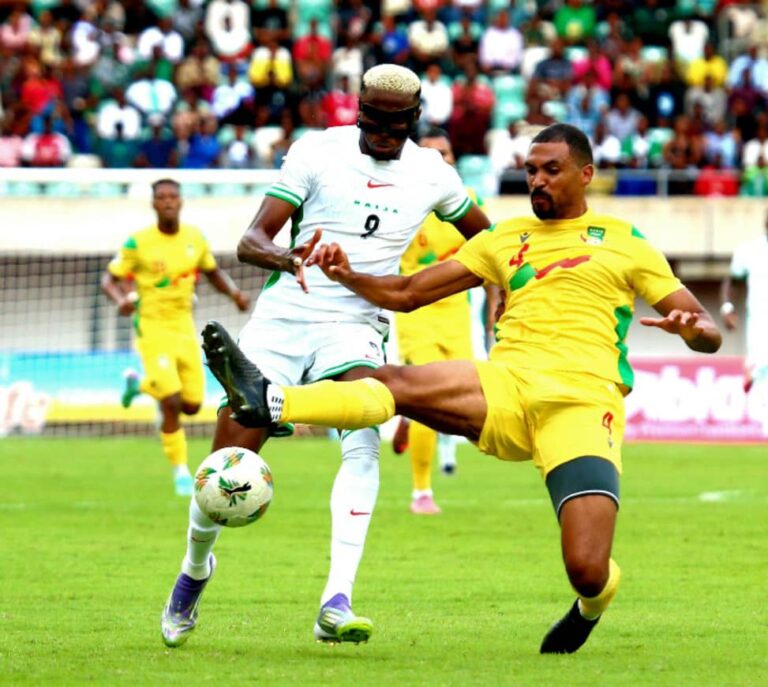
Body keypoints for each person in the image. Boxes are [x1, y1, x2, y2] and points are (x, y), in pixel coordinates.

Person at [203, 123, 722, 654]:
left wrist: (691, 329)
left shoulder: (625, 241)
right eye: (530, 171)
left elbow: (707, 328)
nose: (538, 181)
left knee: (586, 569)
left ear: (585, 175)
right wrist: (348, 276)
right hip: (506, 385)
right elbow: (408, 292)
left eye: (551, 170)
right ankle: (272, 400)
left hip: (583, 407)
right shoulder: (504, 238)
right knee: (390, 381)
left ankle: (592, 603)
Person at [159, 64, 491, 648]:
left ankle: (336, 601)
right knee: (227, 462)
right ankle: (194, 569)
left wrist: (502, 284)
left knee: (366, 435)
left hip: (355, 324)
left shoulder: (433, 174)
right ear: (357, 110)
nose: (381, 132)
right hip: (285, 316)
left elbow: (489, 241)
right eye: (372, 120)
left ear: (415, 119)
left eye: (394, 124)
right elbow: (251, 241)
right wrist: (290, 259)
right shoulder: (317, 151)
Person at [101, 179, 251, 496]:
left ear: (181, 202)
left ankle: (140, 386)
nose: (168, 201)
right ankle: (181, 471)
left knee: (192, 405)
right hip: (152, 327)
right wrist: (121, 300)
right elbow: (109, 279)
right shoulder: (138, 243)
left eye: (173, 196)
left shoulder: (194, 238)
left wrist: (235, 294)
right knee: (170, 401)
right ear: (154, 203)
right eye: (162, 197)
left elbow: (212, 272)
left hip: (184, 326)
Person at [391, 126, 495, 514]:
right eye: (429, 154)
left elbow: (491, 254)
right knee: (428, 397)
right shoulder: (399, 202)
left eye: (445, 154)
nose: (439, 160)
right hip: (415, 313)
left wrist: (494, 307)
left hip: (457, 313)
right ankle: (421, 492)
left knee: (463, 400)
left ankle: (407, 414)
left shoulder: (469, 201)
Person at [720, 211, 768, 393]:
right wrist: (727, 308)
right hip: (760, 332)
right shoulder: (751, 251)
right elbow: (732, 281)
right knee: (761, 387)